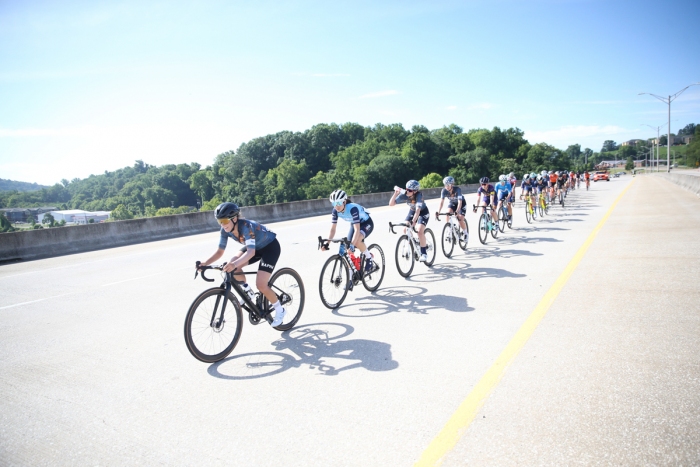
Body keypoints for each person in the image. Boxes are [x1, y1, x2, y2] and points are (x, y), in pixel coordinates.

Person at [198, 202, 286, 327]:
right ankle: (247, 291)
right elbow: (219, 252)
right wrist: (205, 263)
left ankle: (280, 309)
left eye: (224, 220)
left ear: (234, 218)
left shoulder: (246, 227)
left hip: (270, 247)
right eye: (219, 222)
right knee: (231, 264)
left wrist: (234, 265)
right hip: (254, 247)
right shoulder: (225, 230)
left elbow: (250, 252)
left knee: (261, 284)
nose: (222, 225)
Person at [321, 189, 376, 272]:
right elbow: (333, 229)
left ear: (344, 201)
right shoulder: (335, 211)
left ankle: (369, 257)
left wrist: (353, 245)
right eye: (334, 203)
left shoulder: (352, 208)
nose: (336, 206)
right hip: (354, 224)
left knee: (356, 242)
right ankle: (351, 277)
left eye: (338, 203)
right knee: (348, 250)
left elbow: (357, 229)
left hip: (366, 223)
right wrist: (327, 243)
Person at [390, 180, 430, 262]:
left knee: (419, 231)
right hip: (412, 210)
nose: (407, 191)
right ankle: (414, 242)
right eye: (407, 189)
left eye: (410, 190)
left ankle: (424, 253)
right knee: (405, 229)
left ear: (415, 191)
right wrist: (395, 194)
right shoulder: (404, 195)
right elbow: (391, 204)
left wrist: (414, 221)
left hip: (422, 212)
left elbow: (418, 210)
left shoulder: (419, 195)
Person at [435, 176, 469, 243]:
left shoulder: (457, 190)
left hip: (461, 204)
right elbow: (441, 202)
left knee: (460, 219)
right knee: (447, 213)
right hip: (452, 203)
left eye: (448, 185)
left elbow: (460, 202)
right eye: (445, 185)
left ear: (452, 185)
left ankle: (465, 233)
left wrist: (457, 211)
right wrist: (438, 212)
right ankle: (449, 229)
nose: (446, 187)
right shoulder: (444, 191)